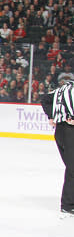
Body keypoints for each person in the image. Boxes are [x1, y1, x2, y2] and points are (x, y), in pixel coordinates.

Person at [40, 74, 74, 219]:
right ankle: (68, 205)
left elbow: (44, 99)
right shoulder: (71, 90)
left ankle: (68, 203)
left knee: (72, 168)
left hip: (60, 132)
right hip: (70, 131)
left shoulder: (62, 88)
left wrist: (51, 116)